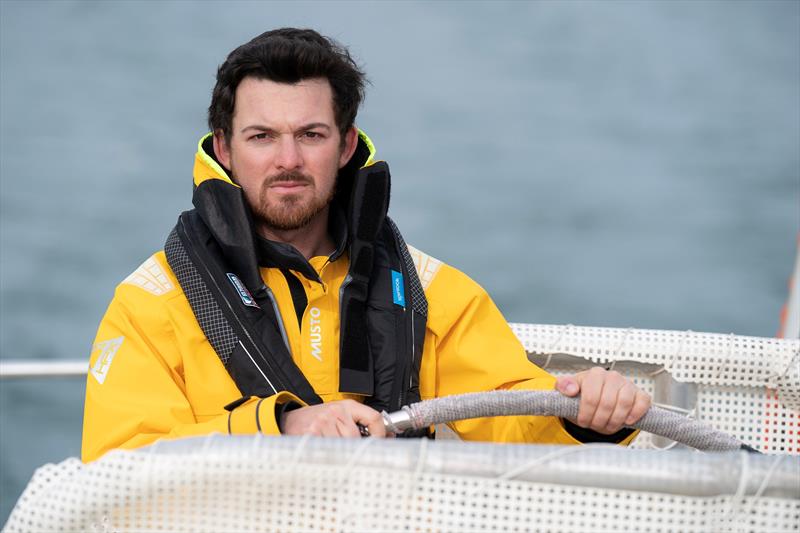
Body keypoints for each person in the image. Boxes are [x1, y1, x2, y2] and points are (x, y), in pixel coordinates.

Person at [81, 28, 650, 462]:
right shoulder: (149, 305)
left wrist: (586, 413)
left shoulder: (433, 295)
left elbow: (515, 417)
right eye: (262, 137)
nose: (288, 161)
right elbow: (119, 467)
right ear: (224, 149)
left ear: (347, 144)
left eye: (311, 135)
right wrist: (280, 427)